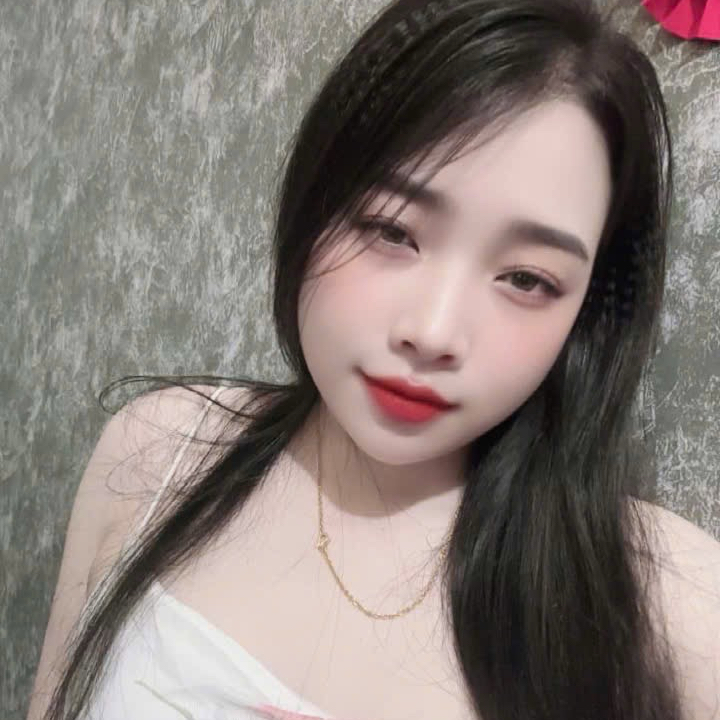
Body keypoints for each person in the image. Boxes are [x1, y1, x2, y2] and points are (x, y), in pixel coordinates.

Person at [26, 0, 720, 718]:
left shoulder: (679, 616)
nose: (433, 331)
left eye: (525, 278)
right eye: (392, 231)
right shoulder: (158, 453)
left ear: (588, 312)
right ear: (316, 200)